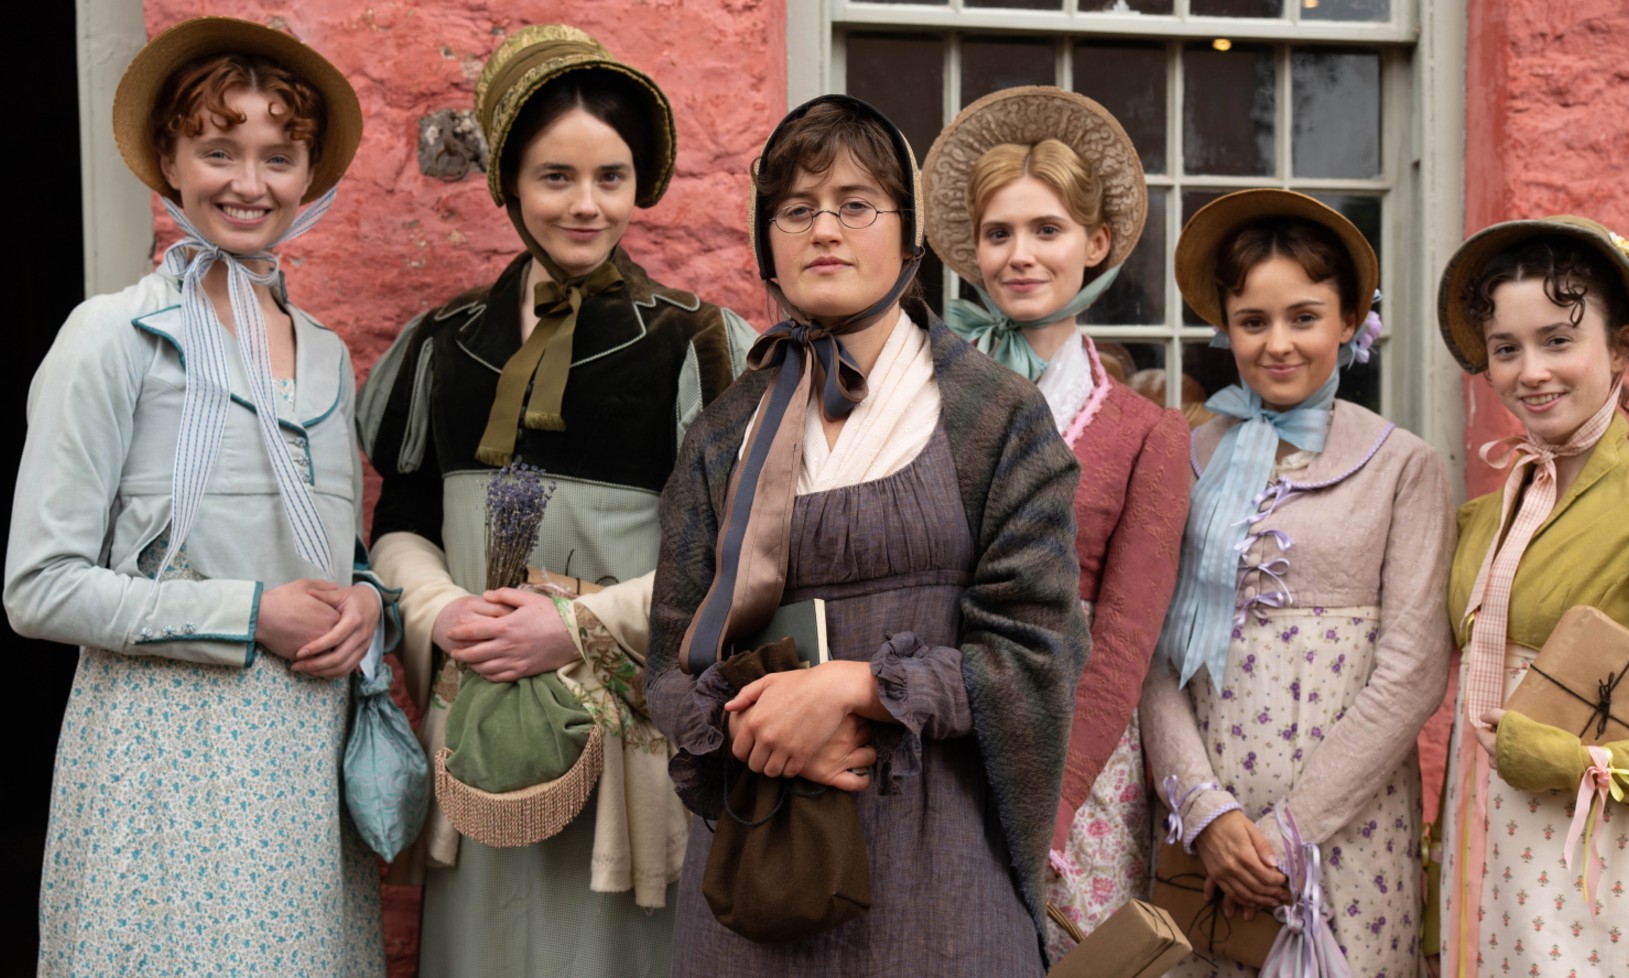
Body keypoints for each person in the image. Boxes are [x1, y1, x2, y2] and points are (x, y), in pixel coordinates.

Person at [644, 94, 1088, 975]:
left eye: (856, 204)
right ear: (766, 238)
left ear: (909, 232)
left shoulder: (995, 418)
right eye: (797, 209)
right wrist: (759, 727)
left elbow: (1038, 651)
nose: (825, 231)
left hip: (940, 871)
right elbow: (668, 664)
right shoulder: (725, 433)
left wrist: (858, 689)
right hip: (763, 863)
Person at [355, 25, 754, 978]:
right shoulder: (440, 344)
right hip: (476, 726)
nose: (587, 205)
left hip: (628, 750)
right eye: (556, 177)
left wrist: (577, 627)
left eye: (611, 178)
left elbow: (743, 552)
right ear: (509, 186)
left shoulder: (696, 347)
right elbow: (400, 520)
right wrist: (447, 613)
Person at [5, 17, 386, 976]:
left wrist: (367, 602)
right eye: (218, 150)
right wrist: (254, 613)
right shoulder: (111, 339)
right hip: (161, 758)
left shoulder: (329, 356)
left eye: (278, 156)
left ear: (309, 173)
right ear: (169, 162)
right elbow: (40, 587)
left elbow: (335, 561)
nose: (248, 183)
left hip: (300, 761)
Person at [1140, 190, 1454, 977]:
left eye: (1304, 318)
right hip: (1205, 841)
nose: (1278, 344)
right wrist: (1206, 812)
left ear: (1350, 321)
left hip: (1349, 832)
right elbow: (1149, 651)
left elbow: (1412, 671)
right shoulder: (1182, 455)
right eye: (1254, 322)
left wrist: (1290, 830)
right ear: (1227, 328)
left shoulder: (1402, 466)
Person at [921, 85, 1191, 957]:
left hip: (1078, 758)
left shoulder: (1147, 432)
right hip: (932, 727)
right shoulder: (920, 399)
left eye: (1047, 231)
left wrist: (1055, 794)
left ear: (1096, 243)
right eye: (999, 234)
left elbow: (1123, 639)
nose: (1020, 256)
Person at [1431, 217, 1629, 978]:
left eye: (1559, 340)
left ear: (1623, 347)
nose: (1531, 371)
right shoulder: (1486, 518)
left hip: (1607, 863)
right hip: (1485, 845)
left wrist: (1583, 762)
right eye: (1506, 349)